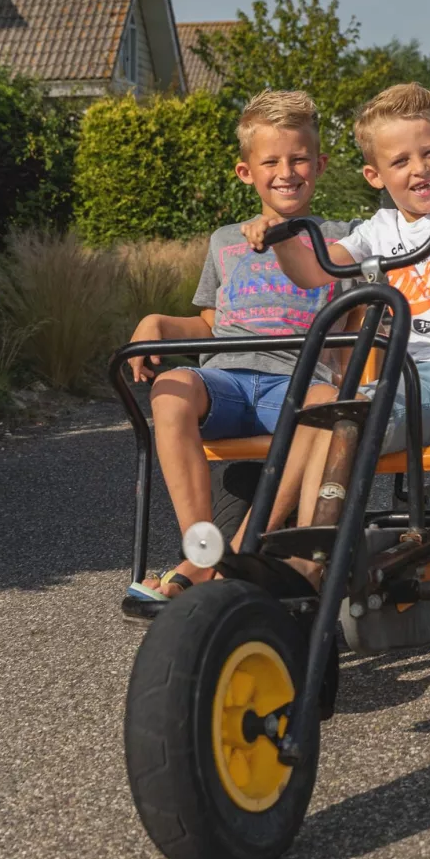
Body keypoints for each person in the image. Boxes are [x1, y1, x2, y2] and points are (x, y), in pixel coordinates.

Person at [245, 82, 430, 581]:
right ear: (374, 174)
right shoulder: (377, 232)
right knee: (340, 416)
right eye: (401, 161)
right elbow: (313, 271)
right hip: (420, 386)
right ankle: (302, 565)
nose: (419, 169)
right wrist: (277, 233)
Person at [122, 90, 349, 612]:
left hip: (296, 381)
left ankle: (242, 550)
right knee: (172, 385)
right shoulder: (224, 239)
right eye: (271, 161)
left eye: (298, 159)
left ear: (320, 164)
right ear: (247, 172)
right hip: (227, 378)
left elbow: (411, 234)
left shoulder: (343, 237)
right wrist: (154, 321)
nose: (286, 171)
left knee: (321, 408)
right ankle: (201, 548)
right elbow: (209, 322)